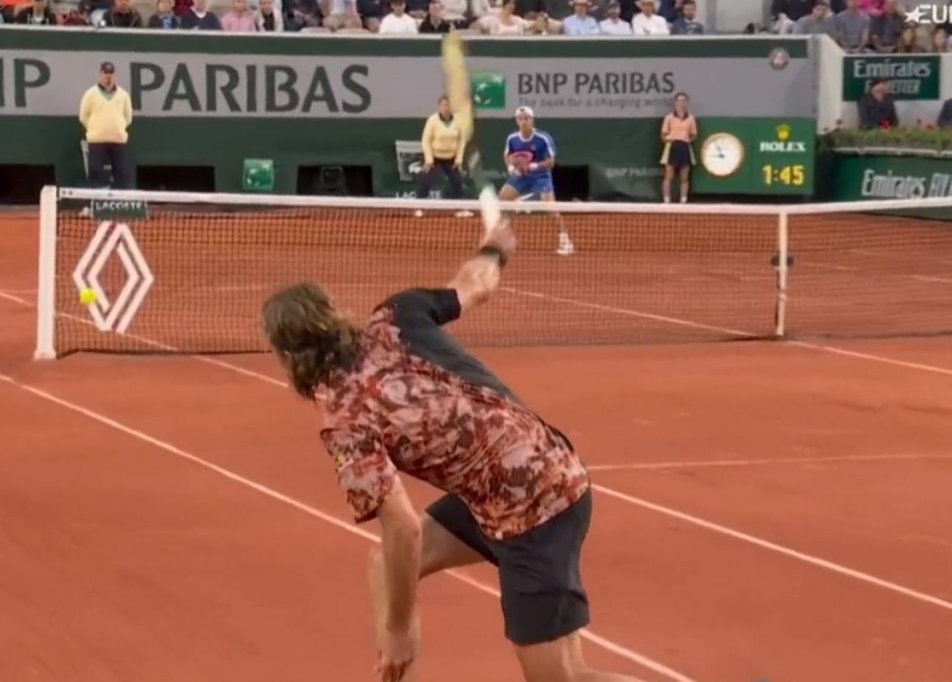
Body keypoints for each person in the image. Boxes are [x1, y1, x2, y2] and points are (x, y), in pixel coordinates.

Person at [261, 217, 646, 682]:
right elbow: (475, 283)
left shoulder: (346, 421)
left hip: (539, 506)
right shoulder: (396, 316)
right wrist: (493, 248)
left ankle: (399, 649)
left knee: (560, 679)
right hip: (529, 471)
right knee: (384, 567)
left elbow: (404, 528)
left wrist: (399, 629)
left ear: (286, 356)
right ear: (333, 312)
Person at [500, 106, 575, 256]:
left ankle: (565, 241)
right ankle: (502, 236)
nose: (523, 122)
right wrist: (510, 166)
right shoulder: (512, 138)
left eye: (526, 119)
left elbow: (551, 162)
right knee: (502, 199)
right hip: (521, 176)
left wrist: (533, 166)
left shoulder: (543, 138)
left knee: (550, 207)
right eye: (520, 119)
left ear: (532, 120)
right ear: (517, 121)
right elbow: (507, 155)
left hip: (540, 176)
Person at [79, 62, 133, 190]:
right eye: (105, 73)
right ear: (100, 74)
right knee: (95, 171)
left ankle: (119, 199)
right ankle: (96, 199)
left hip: (118, 140)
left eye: (111, 73)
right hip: (97, 141)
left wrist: (118, 128)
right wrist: (95, 129)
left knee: (121, 172)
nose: (108, 76)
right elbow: (83, 116)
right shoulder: (90, 94)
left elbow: (128, 117)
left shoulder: (123, 95)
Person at [659, 92, 697, 204]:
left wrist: (686, 140)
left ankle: (683, 200)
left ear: (686, 103)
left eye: (683, 100)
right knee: (668, 176)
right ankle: (666, 200)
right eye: (679, 100)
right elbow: (663, 135)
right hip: (672, 147)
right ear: (675, 102)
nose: (681, 103)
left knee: (684, 177)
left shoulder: (691, 118)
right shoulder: (669, 118)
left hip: (685, 147)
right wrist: (671, 140)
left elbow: (694, 135)